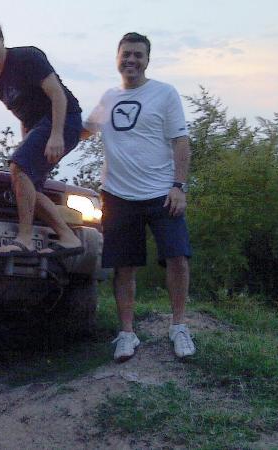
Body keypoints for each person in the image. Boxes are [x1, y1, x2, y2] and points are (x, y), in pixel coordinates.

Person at [83, 32, 196, 361]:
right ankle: (127, 333)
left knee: (177, 258)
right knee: (124, 266)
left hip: (162, 193)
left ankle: (178, 327)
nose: (131, 60)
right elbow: (83, 129)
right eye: (125, 54)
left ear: (147, 59)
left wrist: (179, 186)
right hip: (117, 195)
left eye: (137, 55)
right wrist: (46, 136)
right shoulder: (108, 98)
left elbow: (181, 141)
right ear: (116, 57)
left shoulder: (164, 93)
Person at [0, 19, 84, 257]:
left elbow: (58, 96)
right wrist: (25, 146)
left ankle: (25, 239)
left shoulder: (26, 58)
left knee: (19, 167)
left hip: (65, 120)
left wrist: (55, 135)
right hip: (40, 128)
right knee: (28, 183)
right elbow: (24, 117)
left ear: (2, 39)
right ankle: (68, 237)